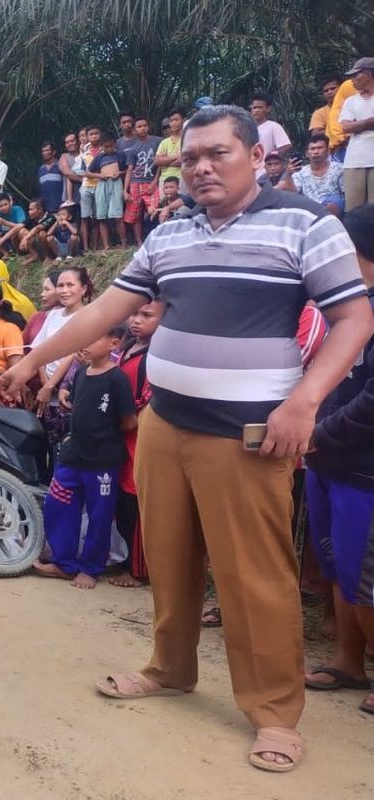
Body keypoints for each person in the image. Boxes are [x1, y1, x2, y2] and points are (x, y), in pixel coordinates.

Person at [0, 104, 373, 772]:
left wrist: (304, 402)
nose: (200, 167)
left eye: (217, 154)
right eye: (191, 157)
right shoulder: (171, 232)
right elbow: (109, 309)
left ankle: (275, 713)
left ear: (257, 157)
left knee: (255, 575)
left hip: (250, 434)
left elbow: (352, 320)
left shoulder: (305, 223)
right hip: (167, 421)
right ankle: (171, 669)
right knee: (168, 559)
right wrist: (30, 361)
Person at [302, 203, 374, 716]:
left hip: (363, 466)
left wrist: (318, 431)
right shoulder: (342, 306)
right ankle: (350, 660)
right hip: (327, 459)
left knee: (363, 574)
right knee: (334, 563)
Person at [33, 325, 136, 589]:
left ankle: (91, 567)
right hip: (72, 456)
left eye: (95, 337)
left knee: (99, 516)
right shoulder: (80, 373)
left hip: (102, 461)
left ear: (114, 344)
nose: (86, 342)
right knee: (58, 506)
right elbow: (77, 406)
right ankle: (64, 563)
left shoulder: (118, 380)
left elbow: (128, 421)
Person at [110, 299, 164, 588]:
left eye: (146, 315)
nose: (136, 320)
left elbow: (148, 400)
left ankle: (139, 569)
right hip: (122, 432)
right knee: (124, 497)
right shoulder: (128, 347)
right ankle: (124, 559)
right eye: (133, 313)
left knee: (139, 498)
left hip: (139, 434)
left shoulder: (156, 356)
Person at [31, 267, 93, 468]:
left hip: (69, 390)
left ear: (83, 289)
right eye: (60, 285)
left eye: (70, 285)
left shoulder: (88, 316)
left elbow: (72, 353)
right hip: (46, 392)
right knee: (48, 446)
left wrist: (51, 385)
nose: (64, 290)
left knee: (67, 446)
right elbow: (40, 348)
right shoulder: (53, 315)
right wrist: (44, 383)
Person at [340, 57, 374, 210]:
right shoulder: (350, 101)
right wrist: (369, 122)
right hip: (354, 160)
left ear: (367, 74)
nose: (352, 80)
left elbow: (351, 126)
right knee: (354, 210)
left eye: (355, 75)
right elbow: (345, 127)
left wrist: (358, 124)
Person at [123, 116, 161, 245]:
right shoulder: (133, 149)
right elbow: (129, 169)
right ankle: (140, 243)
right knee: (135, 216)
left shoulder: (158, 141)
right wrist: (125, 190)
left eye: (145, 125)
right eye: (139, 127)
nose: (142, 128)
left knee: (154, 211)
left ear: (148, 126)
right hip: (135, 183)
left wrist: (155, 181)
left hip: (151, 182)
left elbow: (160, 164)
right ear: (134, 130)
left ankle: (156, 240)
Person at [288, 133, 346, 215]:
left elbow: (345, 195)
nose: (316, 152)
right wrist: (288, 175)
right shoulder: (300, 173)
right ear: (307, 153)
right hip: (309, 209)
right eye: (312, 149)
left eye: (320, 148)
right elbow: (293, 196)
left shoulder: (339, 169)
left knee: (335, 202)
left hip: (333, 209)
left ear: (328, 151)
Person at [86, 130, 126, 248]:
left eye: (111, 146)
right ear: (102, 145)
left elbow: (127, 170)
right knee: (102, 216)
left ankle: (124, 242)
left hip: (116, 184)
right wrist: (100, 176)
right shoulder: (99, 157)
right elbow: (88, 173)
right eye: (105, 146)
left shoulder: (120, 155)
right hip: (102, 184)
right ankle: (106, 245)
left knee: (118, 215)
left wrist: (119, 173)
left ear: (115, 144)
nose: (108, 148)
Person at [250, 90, 292, 178]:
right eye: (254, 108)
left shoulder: (273, 126)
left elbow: (286, 146)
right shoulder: (246, 128)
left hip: (267, 174)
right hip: (249, 173)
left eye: (260, 107)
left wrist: (271, 158)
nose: (256, 110)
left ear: (268, 109)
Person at [23, 269, 61, 347]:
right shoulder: (36, 317)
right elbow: (23, 347)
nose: (42, 294)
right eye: (43, 289)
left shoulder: (74, 318)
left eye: (47, 289)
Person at [17, 199, 56, 265]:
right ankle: (34, 255)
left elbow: (37, 228)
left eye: (31, 209)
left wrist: (25, 239)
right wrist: (1, 241)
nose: (29, 212)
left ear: (40, 210)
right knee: (21, 231)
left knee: (42, 234)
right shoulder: (32, 217)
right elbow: (17, 227)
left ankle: (49, 257)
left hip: (52, 247)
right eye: (29, 209)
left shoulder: (50, 217)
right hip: (38, 245)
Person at [154, 108, 185, 184]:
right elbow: (157, 161)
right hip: (164, 180)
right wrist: (175, 157)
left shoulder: (187, 139)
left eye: (176, 120)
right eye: (171, 121)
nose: (173, 123)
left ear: (183, 120)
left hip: (182, 178)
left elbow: (183, 160)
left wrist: (165, 162)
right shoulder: (164, 142)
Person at [37, 141, 64, 213]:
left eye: (47, 150)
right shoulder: (41, 169)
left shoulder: (61, 166)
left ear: (54, 152)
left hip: (61, 208)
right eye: (43, 151)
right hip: (46, 210)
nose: (44, 153)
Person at [59, 132, 84, 206]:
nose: (70, 144)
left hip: (87, 194)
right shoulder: (64, 156)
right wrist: (83, 179)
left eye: (72, 141)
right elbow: (67, 172)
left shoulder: (85, 154)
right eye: (67, 142)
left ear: (78, 141)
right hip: (71, 198)